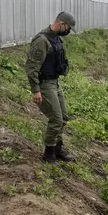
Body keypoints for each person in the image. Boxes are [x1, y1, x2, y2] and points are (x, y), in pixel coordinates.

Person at [25, 12, 76, 164]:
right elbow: (32, 67)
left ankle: (58, 149)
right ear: (62, 24)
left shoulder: (56, 39)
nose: (68, 31)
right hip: (45, 85)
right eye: (68, 28)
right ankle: (49, 153)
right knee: (56, 119)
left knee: (63, 118)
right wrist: (36, 90)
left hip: (55, 83)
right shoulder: (42, 40)